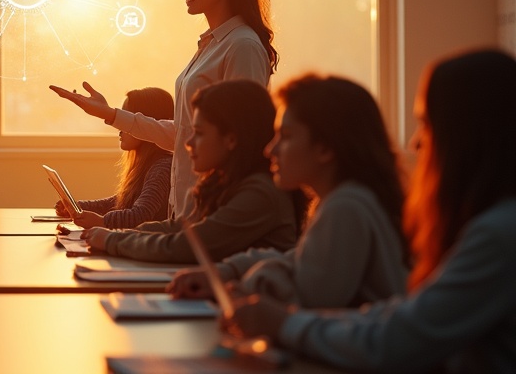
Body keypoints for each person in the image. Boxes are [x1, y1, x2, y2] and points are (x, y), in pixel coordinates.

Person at [227, 50, 516, 373]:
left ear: (467, 135)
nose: (415, 143)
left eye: (426, 124)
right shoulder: (493, 224)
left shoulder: (499, 235)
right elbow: (401, 314)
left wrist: (284, 323)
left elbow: (396, 339)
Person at [51, 0, 277, 218]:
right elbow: (183, 134)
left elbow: (244, 142)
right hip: (185, 210)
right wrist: (110, 114)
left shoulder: (242, 46)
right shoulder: (210, 45)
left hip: (213, 214)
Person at [169, 74, 409, 308]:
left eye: (285, 136)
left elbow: (308, 301)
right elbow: (298, 260)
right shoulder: (343, 202)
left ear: (324, 148)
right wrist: (226, 272)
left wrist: (244, 285)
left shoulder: (346, 207)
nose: (270, 150)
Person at [80, 80, 301, 263]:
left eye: (199, 133)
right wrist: (117, 235)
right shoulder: (227, 183)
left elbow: (186, 245)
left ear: (231, 139)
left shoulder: (259, 193)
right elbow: (181, 227)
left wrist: (111, 240)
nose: (188, 143)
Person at [54, 86, 173, 229]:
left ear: (144, 124)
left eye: (127, 120)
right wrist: (78, 206)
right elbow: (123, 200)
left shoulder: (162, 167)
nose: (119, 128)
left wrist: (101, 221)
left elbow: (140, 215)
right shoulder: (149, 164)